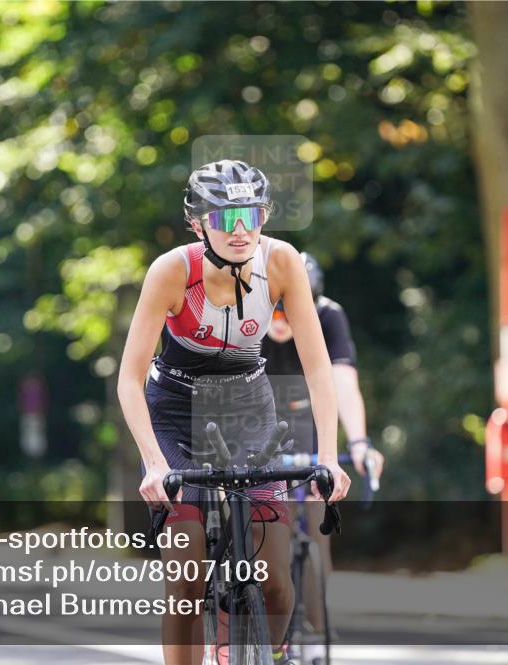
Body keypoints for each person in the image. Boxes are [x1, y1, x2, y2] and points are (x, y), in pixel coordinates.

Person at [117, 159, 351, 665]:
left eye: (252, 215)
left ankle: (272, 655)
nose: (241, 231)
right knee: (185, 572)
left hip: (247, 406)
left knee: (275, 582)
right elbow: (129, 380)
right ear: (198, 223)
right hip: (174, 411)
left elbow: (319, 369)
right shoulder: (172, 271)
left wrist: (330, 458)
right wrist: (155, 463)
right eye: (225, 218)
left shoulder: (283, 262)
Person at [261, 251, 385, 631]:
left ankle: (315, 634)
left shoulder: (328, 316)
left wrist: (360, 442)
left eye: (291, 313)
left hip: (309, 425)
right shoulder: (244, 316)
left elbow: (343, 382)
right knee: (262, 534)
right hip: (255, 422)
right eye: (274, 313)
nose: (281, 323)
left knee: (318, 538)